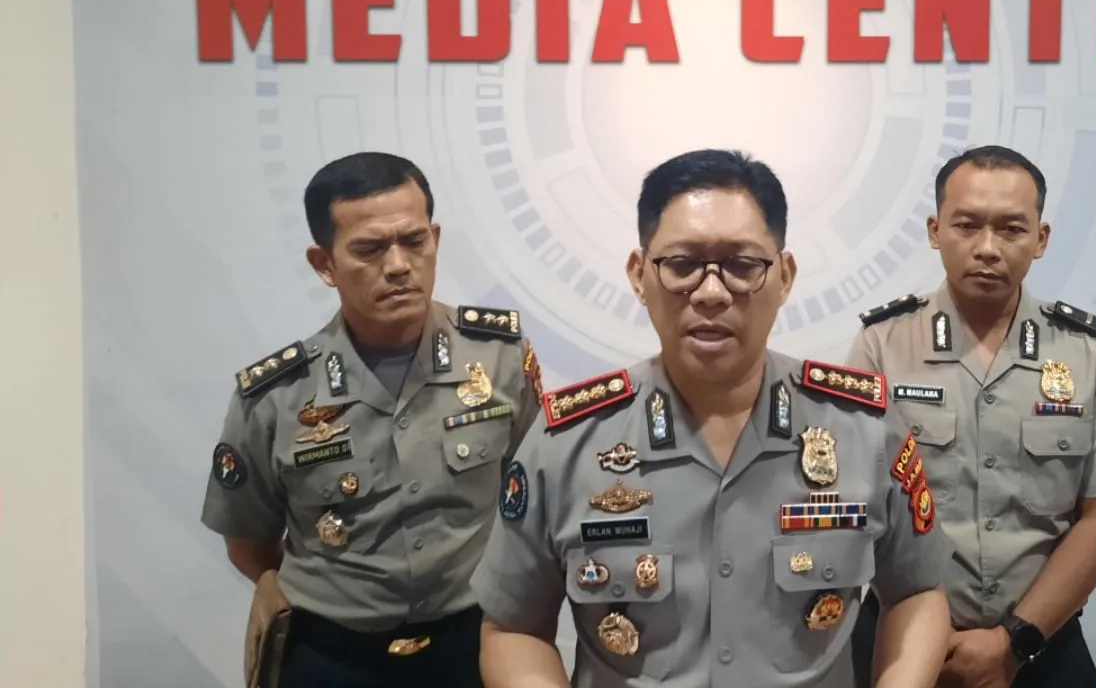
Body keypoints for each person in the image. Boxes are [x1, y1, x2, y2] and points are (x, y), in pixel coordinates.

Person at [471, 148, 951, 688]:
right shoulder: (567, 443)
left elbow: (917, 592)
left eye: (743, 266)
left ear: (785, 276)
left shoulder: (864, 428)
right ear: (639, 275)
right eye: (682, 265)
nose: (712, 293)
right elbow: (512, 627)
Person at [201, 151, 545, 688]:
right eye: (369, 249)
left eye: (414, 241)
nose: (399, 265)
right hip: (331, 659)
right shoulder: (276, 396)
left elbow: (532, 498)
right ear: (324, 264)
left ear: (435, 239)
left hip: (472, 649)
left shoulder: (499, 357)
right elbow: (249, 544)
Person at [846, 145, 1096, 688]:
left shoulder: (1088, 355)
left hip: (1043, 647)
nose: (987, 248)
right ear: (936, 231)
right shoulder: (881, 347)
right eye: (967, 226)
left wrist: (1014, 643)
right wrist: (926, 636)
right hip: (901, 642)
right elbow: (855, 508)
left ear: (1041, 238)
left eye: (1011, 229)